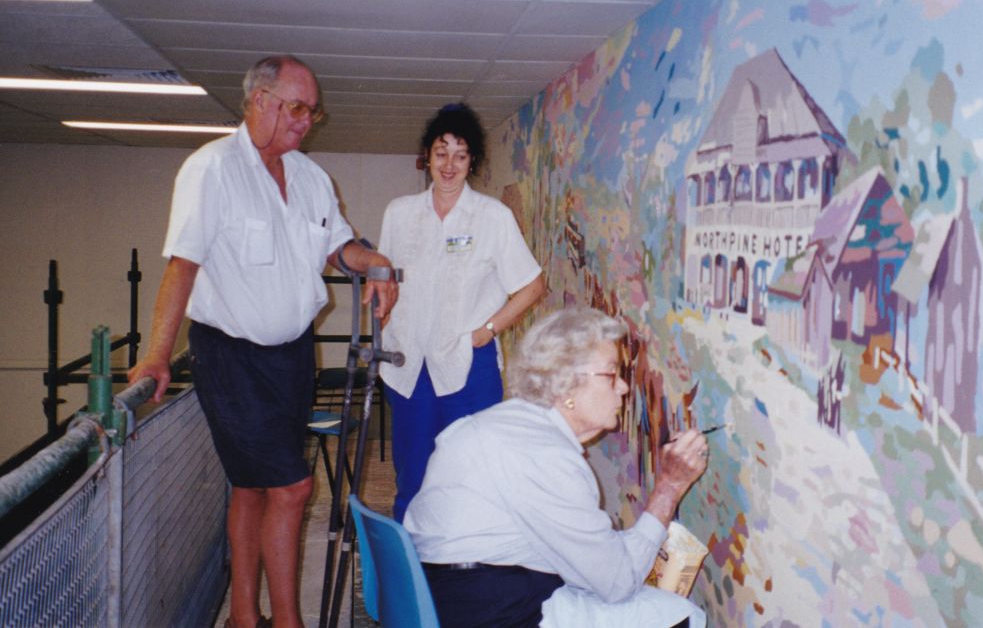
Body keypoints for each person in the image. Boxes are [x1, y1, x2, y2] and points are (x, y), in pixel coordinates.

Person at [127, 55, 397, 628]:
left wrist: (374, 262)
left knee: (253, 488)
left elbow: (337, 248)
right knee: (295, 488)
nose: (306, 121)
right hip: (230, 355)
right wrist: (156, 353)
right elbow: (183, 266)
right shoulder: (213, 169)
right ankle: (287, 621)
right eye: (296, 108)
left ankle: (245, 617)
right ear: (259, 102)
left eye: (311, 111)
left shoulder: (310, 178)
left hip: (294, 355)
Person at [404, 307, 709, 628]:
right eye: (611, 373)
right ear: (567, 387)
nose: (622, 387)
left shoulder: (503, 423)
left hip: (434, 594)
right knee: (678, 615)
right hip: (487, 610)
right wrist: (669, 488)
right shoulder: (547, 455)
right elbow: (618, 583)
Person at [377, 103, 545, 521]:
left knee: (471, 481)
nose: (449, 165)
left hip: (470, 365)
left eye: (460, 154)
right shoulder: (399, 214)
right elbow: (388, 283)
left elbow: (533, 285)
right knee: (412, 482)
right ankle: (412, 581)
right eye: (441, 153)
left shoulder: (493, 217)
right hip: (410, 367)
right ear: (427, 157)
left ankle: (465, 581)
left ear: (472, 162)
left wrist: (487, 330)